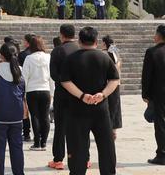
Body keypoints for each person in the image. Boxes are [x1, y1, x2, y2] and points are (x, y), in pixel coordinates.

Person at [61, 26, 119, 175]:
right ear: (96, 40)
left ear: (80, 41)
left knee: (77, 147)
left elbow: (65, 82)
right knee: (106, 146)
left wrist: (82, 95)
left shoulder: (71, 58)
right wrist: (103, 94)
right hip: (101, 109)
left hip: (77, 109)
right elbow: (114, 80)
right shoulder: (104, 57)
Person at [0, 43, 25, 175]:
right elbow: (23, 92)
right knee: (17, 148)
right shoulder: (20, 70)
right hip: (16, 115)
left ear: (2, 55)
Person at [48, 24, 79, 170]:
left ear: (62, 35)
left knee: (60, 128)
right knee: (80, 127)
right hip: (79, 94)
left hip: (62, 93)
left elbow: (54, 75)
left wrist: (65, 82)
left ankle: (58, 160)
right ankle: (83, 158)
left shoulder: (58, 50)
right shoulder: (80, 49)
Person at [22, 36, 54, 151]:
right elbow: (51, 77)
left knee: (34, 116)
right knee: (45, 116)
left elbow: (24, 77)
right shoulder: (48, 57)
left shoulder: (29, 58)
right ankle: (44, 142)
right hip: (45, 89)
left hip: (31, 90)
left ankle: (37, 142)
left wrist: (23, 93)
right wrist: (52, 92)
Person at [141, 24, 165, 165]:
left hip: (159, 94)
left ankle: (162, 154)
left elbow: (147, 76)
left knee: (160, 123)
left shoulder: (152, 52)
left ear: (159, 35)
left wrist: (146, 95)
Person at [102, 35, 122, 138]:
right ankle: (113, 129)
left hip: (109, 83)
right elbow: (119, 61)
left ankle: (110, 129)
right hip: (116, 83)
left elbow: (115, 65)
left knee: (110, 106)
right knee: (115, 106)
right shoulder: (114, 51)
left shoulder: (106, 53)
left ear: (105, 43)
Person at [18, 34, 34, 143]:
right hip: (41, 86)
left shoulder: (23, 54)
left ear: (27, 42)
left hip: (27, 85)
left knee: (26, 111)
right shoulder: (42, 54)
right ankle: (40, 136)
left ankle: (27, 133)